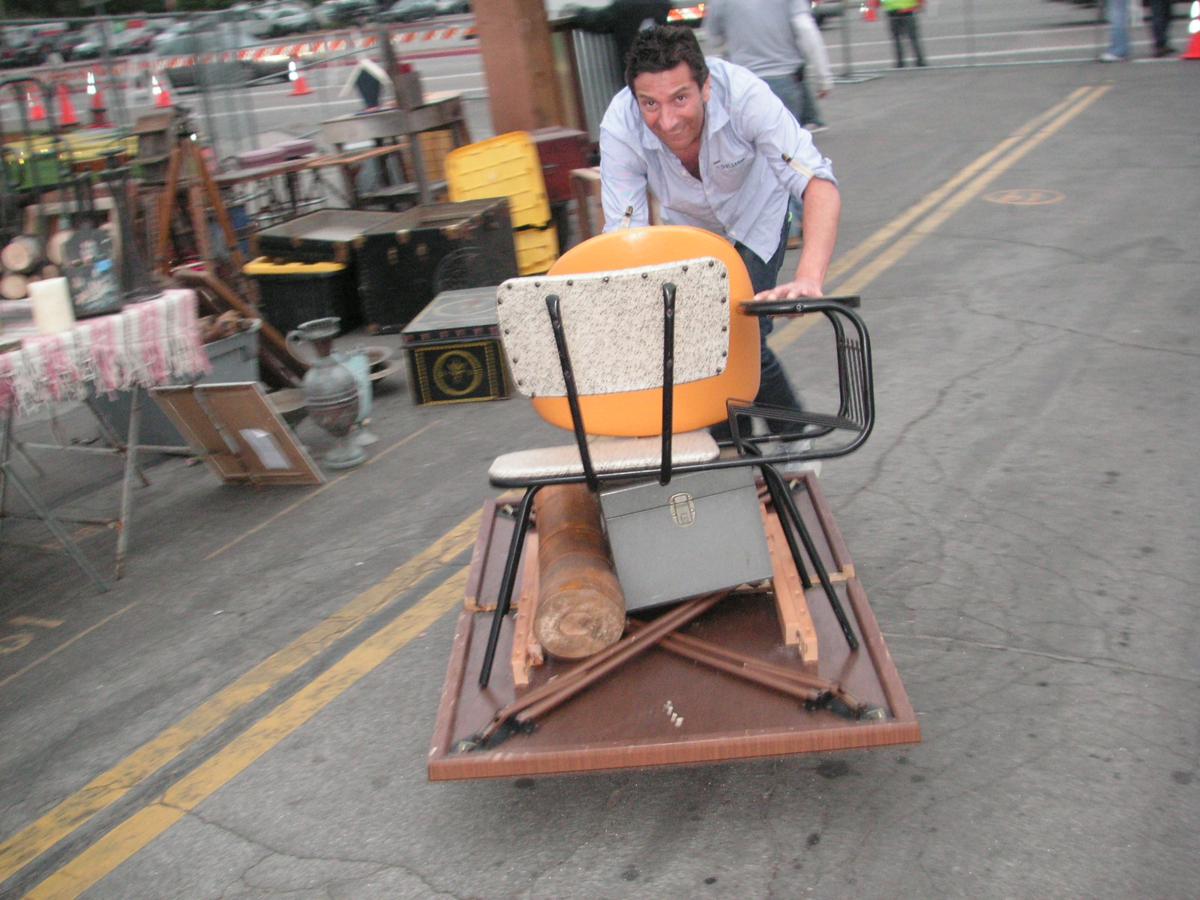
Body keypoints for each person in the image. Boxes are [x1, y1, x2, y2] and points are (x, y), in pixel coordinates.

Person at [599, 25, 841, 427]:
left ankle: (793, 434)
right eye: (650, 104)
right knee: (696, 346)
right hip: (692, 233)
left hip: (757, 218)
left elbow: (817, 184)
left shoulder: (746, 96)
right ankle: (735, 453)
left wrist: (809, 279)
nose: (667, 120)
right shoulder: (620, 124)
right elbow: (625, 232)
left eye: (680, 98)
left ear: (706, 86)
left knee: (742, 339)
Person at [704, 0, 833, 248]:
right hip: (784, 79)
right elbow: (804, 28)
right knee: (789, 155)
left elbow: (713, 34)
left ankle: (782, 226)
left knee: (754, 163)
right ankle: (802, 219)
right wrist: (823, 74)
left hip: (742, 84)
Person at [876, 0, 926, 68]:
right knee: (912, 39)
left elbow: (877, 3)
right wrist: (920, 5)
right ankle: (919, 61)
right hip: (906, 12)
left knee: (898, 40)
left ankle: (900, 62)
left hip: (895, 13)